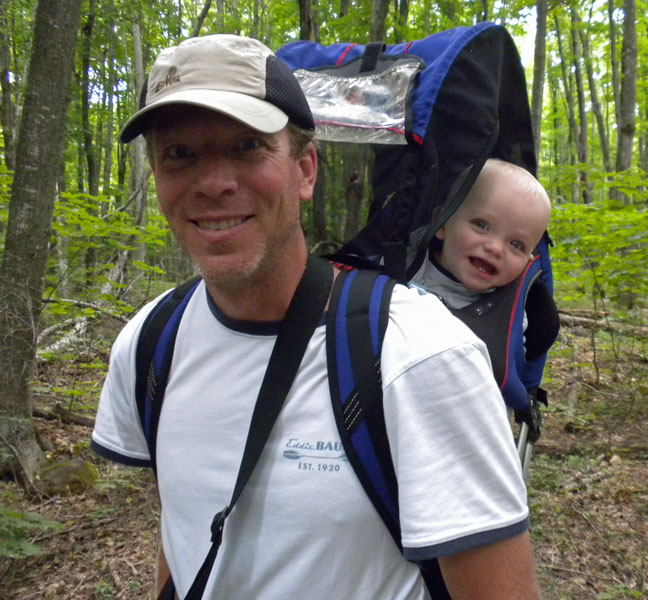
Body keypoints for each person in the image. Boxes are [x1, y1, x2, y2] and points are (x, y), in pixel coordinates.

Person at [91, 34, 540, 600]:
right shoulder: (150, 342)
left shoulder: (420, 355)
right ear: (157, 177)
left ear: (306, 170)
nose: (213, 183)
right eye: (180, 154)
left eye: (247, 146)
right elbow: (187, 531)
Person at [411, 158, 551, 310]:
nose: (496, 248)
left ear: (526, 263)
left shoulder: (511, 310)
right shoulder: (401, 265)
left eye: (516, 244)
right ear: (442, 224)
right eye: (481, 225)